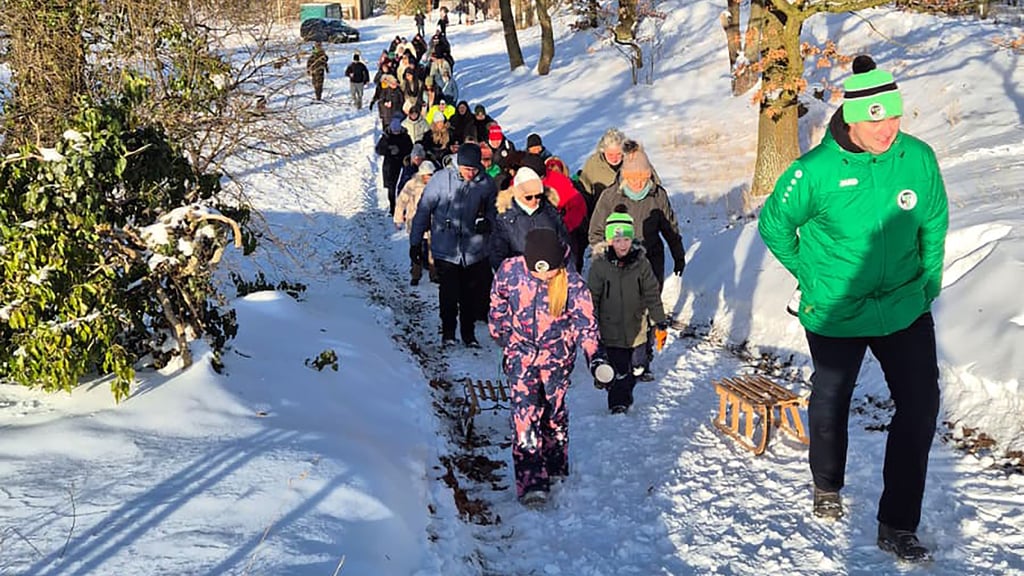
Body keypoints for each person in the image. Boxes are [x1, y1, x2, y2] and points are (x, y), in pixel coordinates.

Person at [758, 55, 948, 564]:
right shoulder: (813, 172)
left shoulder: (917, 158)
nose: (887, 129)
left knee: (921, 406)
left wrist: (928, 284)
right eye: (875, 119)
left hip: (904, 306)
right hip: (837, 310)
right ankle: (827, 483)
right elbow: (774, 225)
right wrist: (811, 275)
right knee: (831, 400)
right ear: (850, 118)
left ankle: (897, 523)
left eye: (894, 117)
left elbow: (934, 224)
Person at [488, 227, 613, 507]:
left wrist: (596, 359)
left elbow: (587, 326)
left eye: (550, 272)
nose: (545, 277)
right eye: (539, 272)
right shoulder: (510, 271)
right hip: (520, 357)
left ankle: (555, 462)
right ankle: (532, 482)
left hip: (556, 360)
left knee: (553, 413)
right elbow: (498, 304)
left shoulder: (572, 284)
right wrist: (502, 333)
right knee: (524, 415)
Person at [587, 141, 686, 381]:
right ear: (625, 176)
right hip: (617, 261)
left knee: (647, 308)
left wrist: (678, 254)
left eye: (643, 178)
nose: (639, 183)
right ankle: (616, 355)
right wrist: (606, 254)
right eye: (634, 178)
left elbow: (670, 228)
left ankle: (643, 359)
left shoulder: (657, 195)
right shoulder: (611, 196)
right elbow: (595, 232)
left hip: (650, 259)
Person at [410, 143, 498, 347]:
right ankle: (448, 332)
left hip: (474, 248)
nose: (471, 173)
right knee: (449, 293)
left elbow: (495, 210)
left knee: (469, 294)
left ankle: (469, 334)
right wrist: (415, 243)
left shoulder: (486, 183)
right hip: (446, 247)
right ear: (459, 164)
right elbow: (423, 210)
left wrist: (488, 222)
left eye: (475, 169)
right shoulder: (441, 180)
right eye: (467, 169)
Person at [587, 210, 668, 414]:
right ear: (609, 240)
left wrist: (660, 321)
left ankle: (631, 376)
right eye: (617, 239)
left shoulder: (641, 263)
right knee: (620, 369)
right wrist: (590, 324)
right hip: (610, 330)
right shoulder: (600, 266)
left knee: (637, 365)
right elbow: (592, 298)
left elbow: (651, 293)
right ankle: (618, 402)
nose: (622, 244)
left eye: (626, 239)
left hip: (637, 327)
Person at [488, 166, 570, 270]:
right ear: (518, 194)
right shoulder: (506, 220)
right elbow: (498, 254)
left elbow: (565, 245)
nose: (534, 200)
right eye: (528, 197)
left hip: (552, 274)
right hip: (521, 279)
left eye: (538, 196)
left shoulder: (550, 213)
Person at [395, 161, 437, 285]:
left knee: (432, 249)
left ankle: (433, 273)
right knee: (416, 248)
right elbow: (402, 200)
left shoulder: (437, 185)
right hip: (415, 221)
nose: (427, 178)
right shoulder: (412, 185)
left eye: (430, 175)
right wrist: (398, 218)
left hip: (433, 221)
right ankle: (415, 273)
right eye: (426, 175)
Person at [578, 127, 626, 215]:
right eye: (610, 154)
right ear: (603, 150)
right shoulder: (593, 163)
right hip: (601, 214)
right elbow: (584, 191)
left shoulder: (633, 161)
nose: (614, 159)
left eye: (618, 154)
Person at [376, 117, 414, 217]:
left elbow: (410, 149)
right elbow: (379, 149)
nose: (396, 133)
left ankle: (403, 207)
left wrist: (403, 154)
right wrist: (389, 150)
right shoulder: (386, 136)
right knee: (391, 186)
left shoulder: (405, 136)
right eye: (394, 131)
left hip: (403, 163)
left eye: (398, 131)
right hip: (390, 164)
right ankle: (393, 207)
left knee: (403, 185)